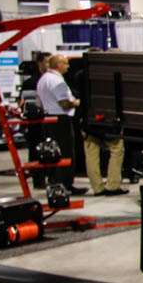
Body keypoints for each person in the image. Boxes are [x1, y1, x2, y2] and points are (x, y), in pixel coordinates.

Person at [35, 54, 85, 194]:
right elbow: (64, 103)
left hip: (48, 118)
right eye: (66, 63)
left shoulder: (43, 79)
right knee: (66, 152)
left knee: (53, 153)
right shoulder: (57, 81)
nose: (68, 67)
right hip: (61, 120)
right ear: (58, 65)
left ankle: (56, 183)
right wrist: (77, 102)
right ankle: (66, 185)